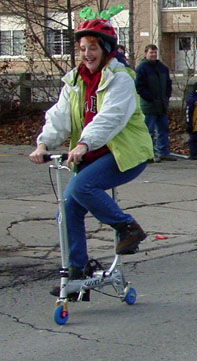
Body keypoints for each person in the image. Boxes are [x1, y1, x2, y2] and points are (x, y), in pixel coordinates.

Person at [28, 18, 154, 292]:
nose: (87, 54)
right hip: (92, 155)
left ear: (106, 48)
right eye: (83, 48)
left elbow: (110, 117)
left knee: (82, 186)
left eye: (93, 47)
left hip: (125, 153)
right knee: (68, 206)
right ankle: (78, 270)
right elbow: (60, 115)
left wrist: (85, 142)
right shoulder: (75, 80)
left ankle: (128, 227)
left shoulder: (119, 79)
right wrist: (44, 143)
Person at [135, 44, 176, 162]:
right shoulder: (141, 69)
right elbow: (139, 87)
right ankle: (148, 154)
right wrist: (151, 98)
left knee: (163, 129)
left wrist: (166, 97)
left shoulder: (162, 68)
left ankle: (164, 152)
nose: (153, 55)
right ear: (145, 54)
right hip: (149, 105)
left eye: (154, 53)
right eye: (151, 53)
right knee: (149, 130)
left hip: (162, 104)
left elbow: (168, 84)